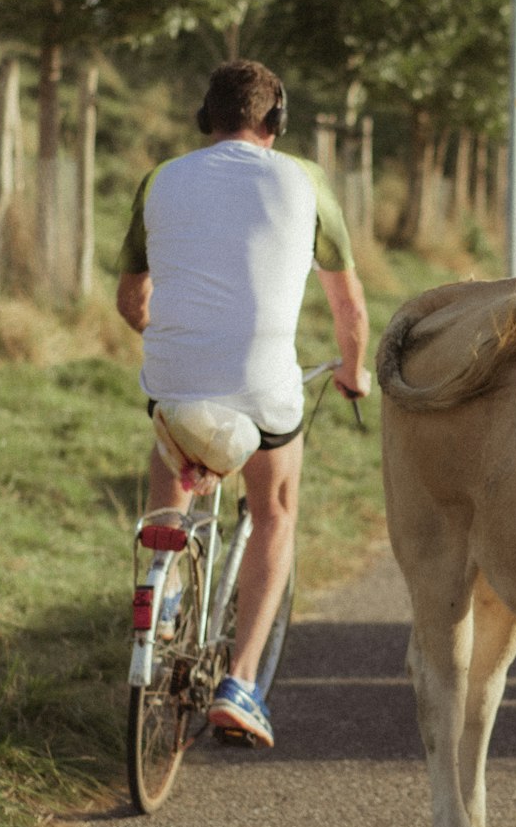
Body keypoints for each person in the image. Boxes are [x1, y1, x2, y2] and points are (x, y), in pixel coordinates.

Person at [116, 59, 371, 747]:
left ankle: (163, 592)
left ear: (208, 118)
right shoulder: (306, 181)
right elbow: (347, 305)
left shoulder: (160, 179)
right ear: (275, 120)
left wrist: (174, 338)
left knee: (173, 466)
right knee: (275, 513)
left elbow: (129, 300)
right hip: (264, 391)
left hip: (174, 381)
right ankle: (242, 684)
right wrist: (354, 372)